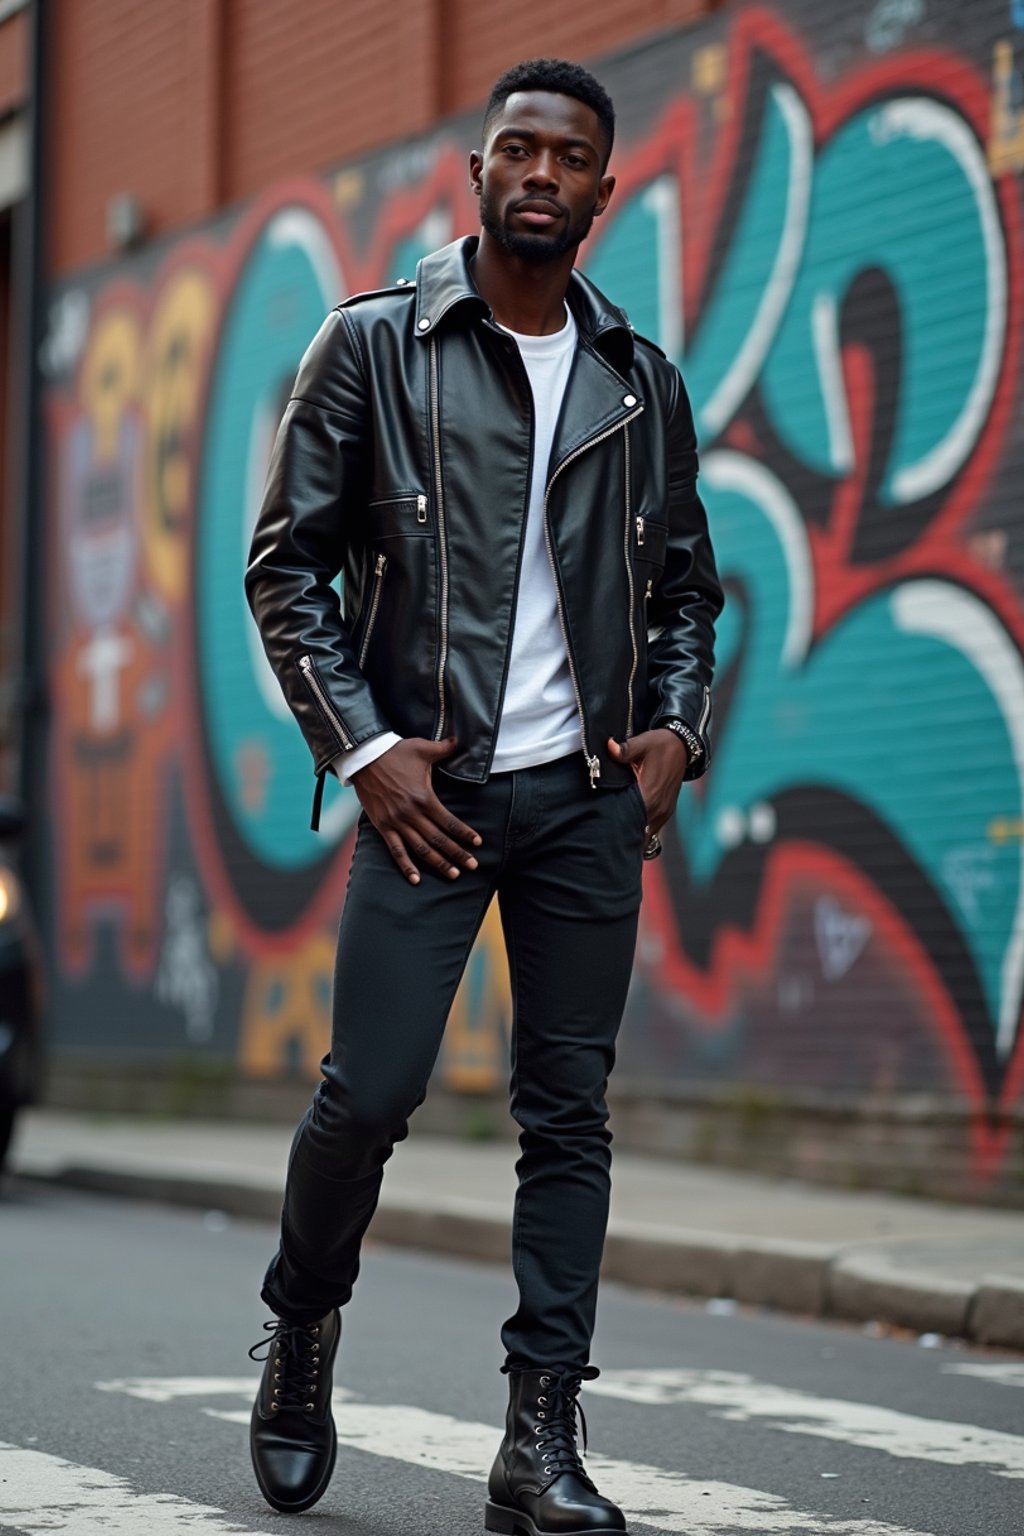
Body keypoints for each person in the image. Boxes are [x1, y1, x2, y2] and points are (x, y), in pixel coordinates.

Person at [244, 56, 722, 1532]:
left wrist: (675, 732)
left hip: (585, 802)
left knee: (567, 1114)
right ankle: (304, 1322)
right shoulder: (373, 349)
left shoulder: (641, 384)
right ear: (476, 176)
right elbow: (284, 569)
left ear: (601, 191)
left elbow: (690, 589)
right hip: (430, 796)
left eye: (566, 155)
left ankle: (536, 1441)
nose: (537, 172)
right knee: (368, 1093)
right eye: (513, 147)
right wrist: (368, 751)